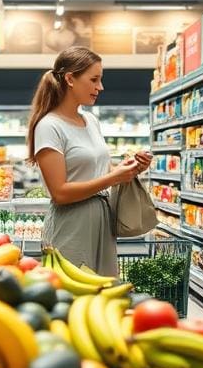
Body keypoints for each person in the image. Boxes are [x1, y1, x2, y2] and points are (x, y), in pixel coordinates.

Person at [28, 47, 152, 276]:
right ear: (70, 79)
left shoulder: (91, 121)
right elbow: (60, 192)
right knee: (72, 298)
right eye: (94, 79)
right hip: (71, 224)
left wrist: (129, 169)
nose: (100, 87)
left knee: (103, 292)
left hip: (103, 220)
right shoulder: (49, 126)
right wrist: (112, 177)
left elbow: (99, 173)